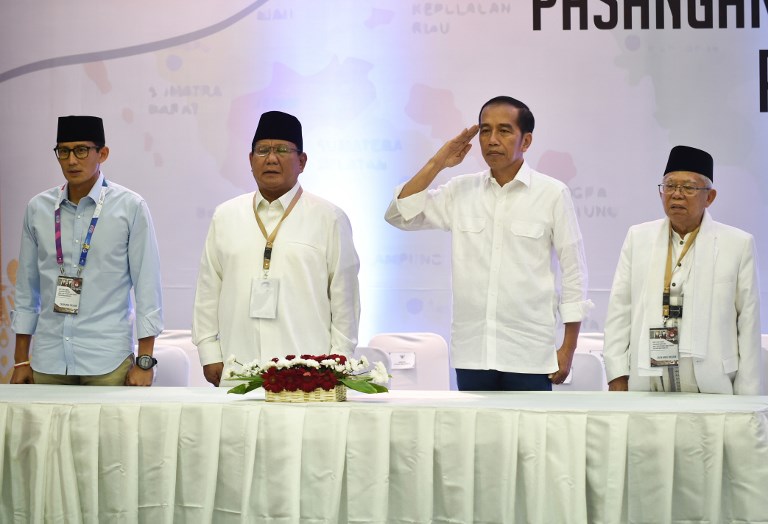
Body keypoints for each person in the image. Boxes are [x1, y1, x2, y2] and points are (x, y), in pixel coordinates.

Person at [385, 96, 591, 391]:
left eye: (504, 131)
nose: (492, 140)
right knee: (474, 439)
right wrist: (438, 162)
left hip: (529, 355)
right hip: (473, 355)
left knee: (529, 438)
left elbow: (574, 273)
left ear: (526, 140)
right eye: (485, 130)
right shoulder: (461, 190)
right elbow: (399, 215)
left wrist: (568, 349)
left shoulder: (552, 194)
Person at [192, 110, 360, 386]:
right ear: (250, 159)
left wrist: (336, 362)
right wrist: (208, 352)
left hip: (306, 371)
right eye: (262, 150)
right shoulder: (226, 215)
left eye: (282, 150)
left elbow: (345, 299)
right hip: (239, 367)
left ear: (302, 161)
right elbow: (209, 288)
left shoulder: (329, 217)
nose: (271, 159)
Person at [11, 115, 163, 386]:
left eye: (81, 150)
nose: (71, 160)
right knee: (47, 431)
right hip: (49, 358)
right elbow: (26, 289)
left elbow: (147, 288)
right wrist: (21, 360)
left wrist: (145, 361)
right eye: (64, 151)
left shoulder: (130, 207)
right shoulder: (38, 208)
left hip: (108, 360)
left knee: (108, 431)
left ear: (102, 153)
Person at [603, 145, 762, 394]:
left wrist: (748, 396)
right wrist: (617, 375)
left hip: (712, 383)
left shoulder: (737, 244)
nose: (677, 194)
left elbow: (749, 322)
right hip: (648, 380)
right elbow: (619, 310)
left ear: (710, 197)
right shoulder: (638, 237)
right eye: (669, 186)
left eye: (688, 187)